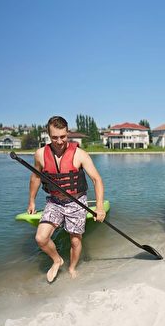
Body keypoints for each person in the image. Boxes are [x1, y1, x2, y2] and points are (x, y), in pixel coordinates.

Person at [27, 116, 106, 282]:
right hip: (54, 202)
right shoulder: (40, 154)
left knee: (75, 242)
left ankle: (72, 267)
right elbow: (35, 178)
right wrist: (32, 201)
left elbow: (97, 180)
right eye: (54, 137)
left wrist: (99, 207)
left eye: (63, 136)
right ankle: (57, 260)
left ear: (67, 133)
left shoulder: (80, 154)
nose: (59, 141)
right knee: (40, 238)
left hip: (76, 203)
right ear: (48, 135)